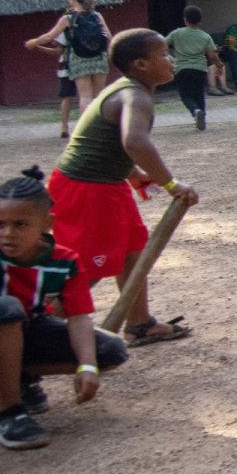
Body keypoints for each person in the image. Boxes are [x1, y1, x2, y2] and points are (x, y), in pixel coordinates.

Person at [0, 167, 129, 449]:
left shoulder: (64, 262)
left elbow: (78, 317)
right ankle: (9, 414)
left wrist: (87, 365)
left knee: (110, 350)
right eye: (0, 224)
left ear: (47, 223)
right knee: (6, 308)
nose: (7, 233)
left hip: (24, 333)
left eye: (20, 225)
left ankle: (22, 379)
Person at [50, 29, 200, 344]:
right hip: (87, 189)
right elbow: (134, 141)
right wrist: (170, 183)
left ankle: (139, 323)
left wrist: (131, 173)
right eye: (164, 54)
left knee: (132, 250)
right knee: (88, 267)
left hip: (105, 184)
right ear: (140, 64)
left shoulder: (126, 90)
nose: (171, 60)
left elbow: (104, 140)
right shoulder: (135, 96)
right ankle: (35, 331)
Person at [25, 0, 110, 108]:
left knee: (85, 96)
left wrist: (34, 42)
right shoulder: (98, 16)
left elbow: (49, 37)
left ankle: (87, 120)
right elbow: (108, 36)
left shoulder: (68, 18)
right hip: (99, 57)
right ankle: (100, 119)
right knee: (99, 95)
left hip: (79, 58)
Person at [165, 6, 223, 131]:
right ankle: (203, 117)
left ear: (185, 19)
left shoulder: (177, 33)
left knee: (186, 95)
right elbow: (212, 55)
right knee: (199, 94)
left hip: (182, 69)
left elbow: (162, 45)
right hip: (200, 69)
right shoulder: (205, 36)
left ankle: (195, 111)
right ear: (200, 21)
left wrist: (169, 57)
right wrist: (219, 65)